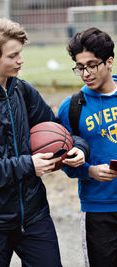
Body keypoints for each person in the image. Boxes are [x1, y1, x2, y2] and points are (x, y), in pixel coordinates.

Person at [0, 17, 88, 266]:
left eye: (20, 53)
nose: (20, 60)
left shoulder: (22, 90)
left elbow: (57, 130)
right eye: (12, 56)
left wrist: (77, 147)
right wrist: (28, 165)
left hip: (33, 214)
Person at [57, 27, 117, 267]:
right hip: (98, 209)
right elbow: (63, 160)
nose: (85, 73)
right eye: (79, 67)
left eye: (92, 65)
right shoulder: (71, 108)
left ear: (109, 62)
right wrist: (89, 171)